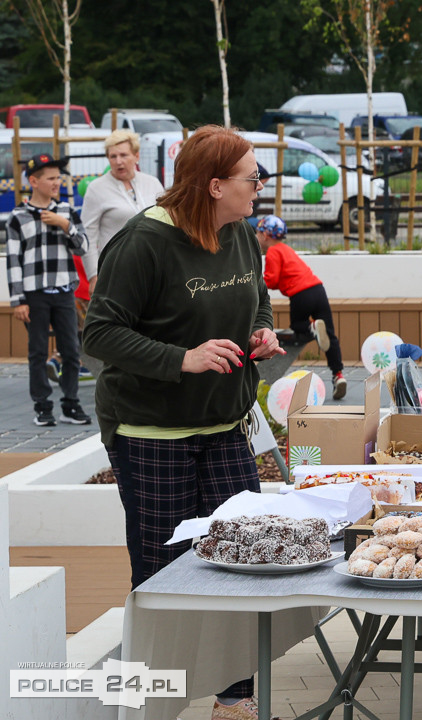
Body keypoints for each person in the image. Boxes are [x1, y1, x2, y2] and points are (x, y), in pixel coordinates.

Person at [82, 125, 287, 720]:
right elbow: (100, 333)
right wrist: (182, 358)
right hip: (151, 432)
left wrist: (262, 330)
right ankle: (153, 702)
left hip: (225, 423)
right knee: (164, 569)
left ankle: (233, 698)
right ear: (215, 184)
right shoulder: (143, 243)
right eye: (254, 177)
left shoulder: (241, 233)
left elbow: (258, 294)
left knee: (240, 556)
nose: (262, 187)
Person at [6, 153, 92, 426]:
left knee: (70, 350)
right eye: (51, 178)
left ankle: (70, 404)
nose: (57, 182)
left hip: (65, 291)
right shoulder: (18, 217)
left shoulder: (66, 211)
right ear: (34, 181)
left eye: (58, 177)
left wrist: (65, 226)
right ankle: (42, 407)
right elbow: (13, 261)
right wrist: (19, 300)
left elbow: (83, 247)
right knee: (38, 352)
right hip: (35, 295)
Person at [256, 214, 347, 400]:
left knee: (298, 326)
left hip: (300, 295)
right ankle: (338, 375)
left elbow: (271, 279)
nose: (256, 237)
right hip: (318, 289)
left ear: (265, 235)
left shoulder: (273, 252)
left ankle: (311, 327)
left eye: (257, 233)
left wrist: (256, 283)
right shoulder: (286, 249)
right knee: (330, 335)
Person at [81, 129, 165, 295]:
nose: (118, 161)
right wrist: (93, 276)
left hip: (153, 267)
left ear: (136, 156)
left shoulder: (152, 183)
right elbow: (88, 235)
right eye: (113, 156)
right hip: (114, 271)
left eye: (124, 155)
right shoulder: (96, 188)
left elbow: (165, 223)